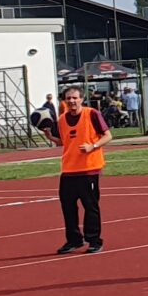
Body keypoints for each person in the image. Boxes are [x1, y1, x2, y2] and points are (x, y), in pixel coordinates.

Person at [39, 85, 110, 254]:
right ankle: (74, 240)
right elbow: (64, 141)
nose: (71, 101)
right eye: (68, 98)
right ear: (64, 101)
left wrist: (92, 146)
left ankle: (94, 240)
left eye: (75, 98)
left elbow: (108, 136)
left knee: (90, 207)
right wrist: (50, 137)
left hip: (89, 169)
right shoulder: (62, 119)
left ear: (81, 99)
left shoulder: (92, 114)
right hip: (69, 170)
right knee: (68, 207)